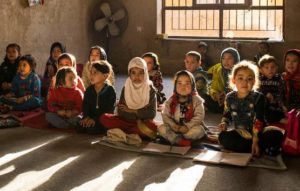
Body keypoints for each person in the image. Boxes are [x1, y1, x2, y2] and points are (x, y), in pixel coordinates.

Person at [218, 61, 284, 156]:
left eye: (249, 79)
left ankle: (254, 147)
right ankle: (261, 148)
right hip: (241, 133)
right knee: (222, 137)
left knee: (276, 134)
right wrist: (224, 123)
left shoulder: (259, 97)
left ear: (254, 81)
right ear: (233, 80)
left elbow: (259, 120)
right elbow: (227, 113)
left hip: (260, 133)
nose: (245, 82)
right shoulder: (229, 97)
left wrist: (255, 140)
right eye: (240, 78)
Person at [100, 57, 158, 139]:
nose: (137, 76)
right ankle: (132, 132)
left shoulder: (150, 89)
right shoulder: (126, 87)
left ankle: (124, 132)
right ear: (129, 74)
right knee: (104, 118)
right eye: (133, 73)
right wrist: (141, 112)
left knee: (152, 126)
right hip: (125, 122)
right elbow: (120, 111)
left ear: (145, 73)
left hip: (141, 123)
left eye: (141, 73)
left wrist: (132, 110)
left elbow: (152, 113)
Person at [157, 70, 206, 146]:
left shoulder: (197, 100)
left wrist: (187, 126)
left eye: (187, 83)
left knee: (199, 130)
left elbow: (199, 117)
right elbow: (165, 115)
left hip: (189, 129)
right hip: (174, 128)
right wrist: (173, 125)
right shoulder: (170, 101)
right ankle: (179, 140)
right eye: (179, 83)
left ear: (192, 85)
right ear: (175, 85)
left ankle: (177, 139)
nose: (183, 87)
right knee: (161, 128)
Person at [77, 61, 116, 134]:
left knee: (93, 129)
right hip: (90, 117)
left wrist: (95, 119)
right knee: (80, 126)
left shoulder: (110, 90)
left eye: (95, 73)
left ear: (105, 76)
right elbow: (85, 105)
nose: (92, 75)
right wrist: (86, 117)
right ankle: (90, 124)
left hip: (102, 118)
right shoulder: (89, 90)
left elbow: (109, 109)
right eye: (91, 72)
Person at [207, 47, 240, 113]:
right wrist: (216, 95)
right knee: (205, 97)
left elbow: (242, 89)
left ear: (236, 59)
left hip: (236, 97)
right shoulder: (219, 71)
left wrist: (227, 94)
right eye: (223, 58)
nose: (225, 61)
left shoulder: (240, 72)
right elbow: (213, 86)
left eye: (229, 58)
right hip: (222, 98)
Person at [258, 54, 285, 123]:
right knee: (263, 111)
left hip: (277, 103)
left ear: (276, 68)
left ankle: (280, 118)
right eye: (266, 68)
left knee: (279, 111)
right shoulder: (259, 80)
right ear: (261, 70)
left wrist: (276, 99)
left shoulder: (279, 78)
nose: (270, 69)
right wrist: (265, 96)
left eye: (272, 67)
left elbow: (281, 91)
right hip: (264, 104)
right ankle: (278, 119)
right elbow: (257, 92)